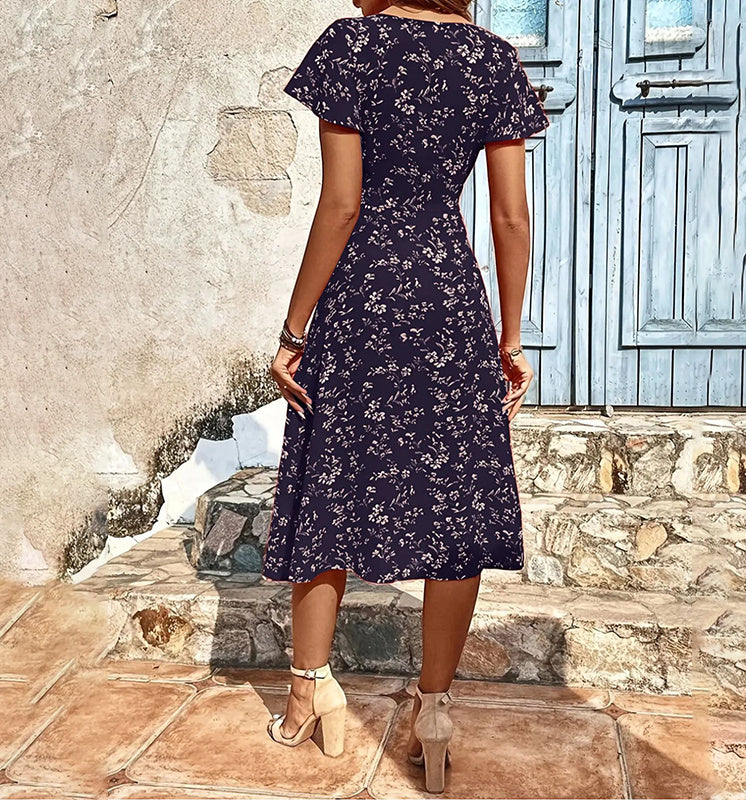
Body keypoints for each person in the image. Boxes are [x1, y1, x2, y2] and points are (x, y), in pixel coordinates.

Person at [263, 0, 550, 792]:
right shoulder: (493, 60)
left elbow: (343, 203)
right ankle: (435, 709)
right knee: (453, 493)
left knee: (333, 473)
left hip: (362, 295)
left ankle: (309, 690)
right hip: (448, 294)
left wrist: (293, 328)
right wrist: (511, 339)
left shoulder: (352, 44)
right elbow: (509, 215)